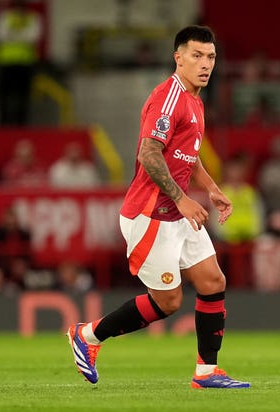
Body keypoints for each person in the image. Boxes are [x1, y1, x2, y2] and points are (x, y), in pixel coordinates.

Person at [66, 26, 250, 389]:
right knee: (167, 302)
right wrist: (182, 199)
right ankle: (87, 337)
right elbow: (148, 153)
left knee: (213, 281)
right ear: (177, 58)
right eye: (196, 55)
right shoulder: (168, 98)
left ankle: (206, 372)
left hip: (176, 215)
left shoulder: (195, 101)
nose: (205, 64)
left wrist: (211, 190)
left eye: (210, 57)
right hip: (149, 215)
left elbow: (187, 155)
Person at [0, 0, 42, 125]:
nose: (19, 9)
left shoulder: (33, 18)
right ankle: (3, 123)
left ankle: (21, 124)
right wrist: (22, 36)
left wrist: (12, 35)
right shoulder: (5, 17)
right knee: (4, 95)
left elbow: (34, 36)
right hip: (6, 62)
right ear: (13, 6)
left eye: (21, 6)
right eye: (17, 6)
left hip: (25, 62)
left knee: (23, 96)